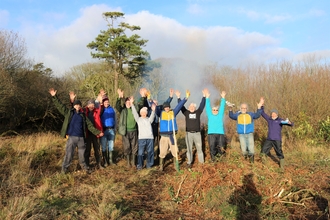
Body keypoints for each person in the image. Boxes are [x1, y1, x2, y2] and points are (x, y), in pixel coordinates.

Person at [49, 88, 103, 174]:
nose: (77, 106)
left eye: (79, 105)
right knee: (69, 154)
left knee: (82, 155)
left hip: (81, 138)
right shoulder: (69, 113)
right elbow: (60, 106)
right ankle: (64, 169)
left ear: (80, 106)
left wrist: (98, 132)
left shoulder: (83, 116)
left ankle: (85, 168)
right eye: (76, 105)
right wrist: (54, 97)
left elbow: (90, 126)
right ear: (74, 106)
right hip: (72, 138)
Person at [155, 90, 188, 171]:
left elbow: (179, 106)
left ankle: (176, 166)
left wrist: (185, 98)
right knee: (162, 152)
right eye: (165, 107)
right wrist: (149, 99)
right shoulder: (161, 113)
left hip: (172, 135)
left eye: (168, 107)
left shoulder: (173, 112)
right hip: (164, 136)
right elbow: (154, 108)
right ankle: (161, 166)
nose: (167, 108)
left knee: (175, 151)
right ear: (163, 108)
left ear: (169, 107)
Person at [69, 92, 103, 169]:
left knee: (97, 149)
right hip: (87, 134)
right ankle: (86, 164)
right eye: (90, 104)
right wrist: (72, 100)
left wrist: (100, 102)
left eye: (93, 104)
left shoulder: (96, 111)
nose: (91, 106)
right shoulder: (83, 111)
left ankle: (99, 164)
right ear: (87, 105)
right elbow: (75, 108)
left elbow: (101, 108)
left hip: (95, 133)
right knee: (87, 150)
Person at [228, 98, 264, 163]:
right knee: (244, 149)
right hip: (241, 134)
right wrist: (230, 109)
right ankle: (245, 160)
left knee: (251, 149)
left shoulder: (250, 114)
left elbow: (257, 115)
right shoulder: (237, 115)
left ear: (247, 109)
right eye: (242, 108)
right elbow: (231, 116)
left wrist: (259, 107)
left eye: (245, 108)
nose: (243, 109)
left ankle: (251, 163)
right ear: (240, 109)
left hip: (249, 134)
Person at [178, 89, 206, 168]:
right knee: (189, 149)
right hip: (188, 134)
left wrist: (204, 96)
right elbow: (180, 106)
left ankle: (201, 163)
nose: (192, 108)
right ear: (188, 107)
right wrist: (178, 97)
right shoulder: (186, 112)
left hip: (197, 133)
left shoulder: (198, 112)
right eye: (190, 106)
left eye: (193, 106)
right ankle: (189, 162)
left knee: (199, 148)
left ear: (195, 107)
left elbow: (202, 105)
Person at [260, 103, 294, 169]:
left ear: (277, 114)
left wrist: (290, 123)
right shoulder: (269, 119)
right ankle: (265, 165)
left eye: (274, 113)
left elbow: (289, 124)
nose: (273, 114)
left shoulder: (280, 120)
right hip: (269, 139)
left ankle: (282, 167)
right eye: (272, 113)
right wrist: (262, 106)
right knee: (263, 151)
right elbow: (263, 114)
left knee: (279, 152)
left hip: (277, 139)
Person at [130, 96, 156, 170]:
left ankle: (149, 165)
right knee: (140, 153)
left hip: (150, 138)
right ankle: (140, 166)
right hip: (141, 139)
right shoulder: (138, 119)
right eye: (142, 113)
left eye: (145, 113)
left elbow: (152, 116)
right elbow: (134, 113)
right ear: (140, 113)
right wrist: (132, 104)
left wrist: (153, 110)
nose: (144, 114)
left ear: (146, 113)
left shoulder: (149, 120)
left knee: (150, 152)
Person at [116, 89, 138, 168]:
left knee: (134, 146)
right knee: (127, 146)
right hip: (125, 131)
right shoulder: (123, 110)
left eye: (129, 102)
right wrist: (119, 97)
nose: (128, 104)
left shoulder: (134, 109)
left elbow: (138, 108)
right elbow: (117, 106)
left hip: (134, 130)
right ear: (125, 103)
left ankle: (133, 162)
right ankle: (128, 162)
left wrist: (133, 103)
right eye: (127, 102)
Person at [205, 89, 226, 162]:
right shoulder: (210, 115)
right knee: (212, 146)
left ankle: (221, 159)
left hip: (220, 133)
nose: (215, 111)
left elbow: (222, 107)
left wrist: (223, 98)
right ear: (211, 111)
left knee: (221, 146)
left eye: (216, 110)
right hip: (211, 133)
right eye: (213, 110)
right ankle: (213, 159)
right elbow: (207, 107)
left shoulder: (220, 115)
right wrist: (207, 98)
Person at [99, 91, 116, 167]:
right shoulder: (101, 110)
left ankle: (110, 160)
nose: (106, 103)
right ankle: (105, 161)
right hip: (104, 130)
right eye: (105, 102)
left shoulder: (112, 109)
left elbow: (115, 119)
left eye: (107, 102)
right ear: (103, 102)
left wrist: (115, 128)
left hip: (111, 130)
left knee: (111, 146)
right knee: (103, 146)